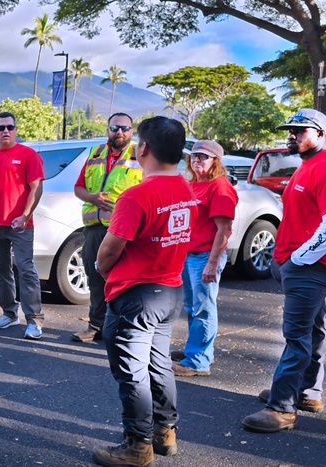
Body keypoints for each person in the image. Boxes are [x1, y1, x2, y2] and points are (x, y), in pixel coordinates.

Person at [242, 109, 326, 433]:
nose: (291, 135)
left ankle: (281, 408)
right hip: (303, 265)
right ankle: (307, 392)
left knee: (296, 337)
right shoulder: (309, 165)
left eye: (300, 130)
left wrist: (297, 260)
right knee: (313, 328)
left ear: (321, 133)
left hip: (313, 268)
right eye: (290, 130)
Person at [92, 116, 196, 466]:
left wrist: (103, 272)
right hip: (169, 290)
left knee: (132, 372)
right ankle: (165, 433)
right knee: (159, 364)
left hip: (136, 294)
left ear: (144, 148)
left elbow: (109, 249)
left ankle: (138, 446)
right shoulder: (185, 188)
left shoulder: (137, 195)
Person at [0, 112, 45, 340]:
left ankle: (34, 320)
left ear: (15, 130)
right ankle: (9, 313)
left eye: (9, 127)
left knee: (26, 270)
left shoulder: (28, 155)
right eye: (1, 127)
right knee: (1, 271)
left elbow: (36, 187)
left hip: (21, 225)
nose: (5, 131)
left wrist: (24, 215)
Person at [72, 113, 143, 343]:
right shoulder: (95, 153)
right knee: (95, 277)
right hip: (95, 229)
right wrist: (92, 197)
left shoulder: (140, 155)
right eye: (114, 127)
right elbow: (78, 188)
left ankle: (123, 328)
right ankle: (96, 327)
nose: (119, 132)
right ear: (108, 130)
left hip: (125, 230)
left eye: (125, 128)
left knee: (125, 279)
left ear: (132, 131)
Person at [172, 140, 237, 377]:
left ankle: (198, 361)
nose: (197, 160)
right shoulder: (191, 185)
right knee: (192, 307)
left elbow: (224, 229)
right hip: (188, 255)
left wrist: (212, 263)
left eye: (204, 157)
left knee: (203, 309)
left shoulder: (219, 187)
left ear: (216, 162)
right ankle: (198, 350)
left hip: (204, 256)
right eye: (194, 156)